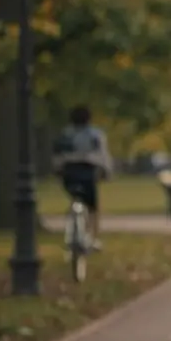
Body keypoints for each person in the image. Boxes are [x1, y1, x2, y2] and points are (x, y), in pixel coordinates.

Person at [51, 105, 114, 248]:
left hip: (69, 171)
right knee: (92, 207)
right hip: (87, 170)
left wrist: (57, 171)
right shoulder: (95, 135)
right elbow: (103, 155)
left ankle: (72, 228)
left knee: (75, 197)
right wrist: (107, 172)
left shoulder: (65, 134)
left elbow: (57, 156)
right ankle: (93, 238)